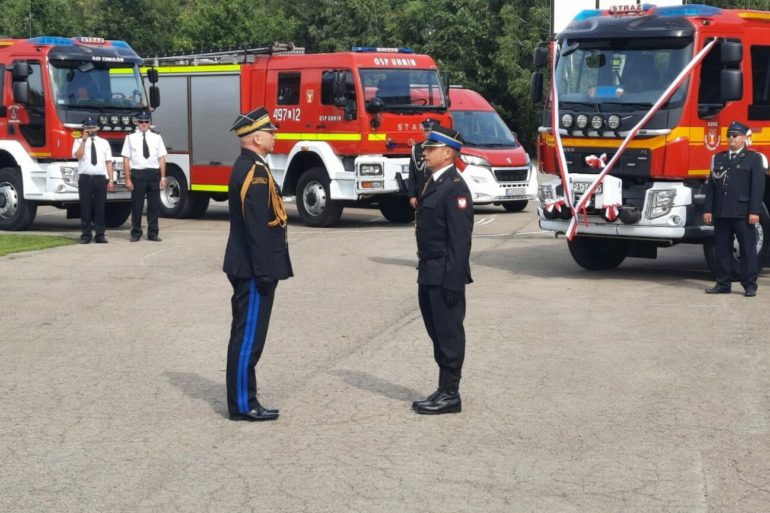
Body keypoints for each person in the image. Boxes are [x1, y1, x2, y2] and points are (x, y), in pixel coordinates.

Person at [223, 107, 293, 422]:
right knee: (248, 337)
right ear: (256, 137)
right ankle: (242, 403)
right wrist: (265, 272)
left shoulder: (252, 166)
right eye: (271, 132)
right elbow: (256, 228)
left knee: (248, 336)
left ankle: (246, 398)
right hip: (253, 269)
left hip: (251, 266)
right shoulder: (255, 171)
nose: (275, 135)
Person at [412, 125, 474, 415]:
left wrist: (453, 281)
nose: (425, 152)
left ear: (447, 153)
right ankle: (442, 388)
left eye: (430, 148)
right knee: (436, 331)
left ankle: (451, 394)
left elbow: (460, 240)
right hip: (428, 270)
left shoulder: (455, 187)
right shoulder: (432, 182)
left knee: (449, 333)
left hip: (444, 273)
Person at [703, 120, 767, 297]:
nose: (731, 139)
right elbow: (711, 187)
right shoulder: (719, 158)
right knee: (722, 250)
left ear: (744, 138)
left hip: (742, 212)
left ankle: (749, 284)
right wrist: (708, 209)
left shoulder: (754, 159)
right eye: (729, 136)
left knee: (747, 249)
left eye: (735, 136)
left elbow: (757, 188)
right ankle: (723, 283)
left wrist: (754, 211)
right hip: (721, 212)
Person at [122, 111, 167, 242]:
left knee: (154, 206)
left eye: (146, 122)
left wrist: (163, 178)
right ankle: (136, 233)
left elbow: (162, 158)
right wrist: (128, 179)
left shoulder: (157, 137)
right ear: (137, 123)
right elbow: (126, 159)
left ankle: (153, 233)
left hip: (153, 174)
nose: (144, 124)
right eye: (141, 122)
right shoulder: (130, 138)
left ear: (149, 123)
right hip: (138, 174)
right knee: (137, 206)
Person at [72, 117, 114, 244]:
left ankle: (100, 234)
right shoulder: (78, 141)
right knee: (85, 207)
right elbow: (78, 156)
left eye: (93, 127)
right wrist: (83, 141)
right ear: (84, 129)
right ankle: (86, 235)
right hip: (85, 178)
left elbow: (108, 162)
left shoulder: (104, 142)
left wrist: (111, 179)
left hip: (100, 178)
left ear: (97, 128)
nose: (91, 130)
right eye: (88, 128)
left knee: (100, 207)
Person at [406, 118, 437, 209]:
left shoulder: (441, 149)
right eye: (425, 131)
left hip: (436, 191)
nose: (427, 133)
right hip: (421, 192)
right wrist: (412, 195)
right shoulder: (416, 148)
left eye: (430, 131)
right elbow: (412, 174)